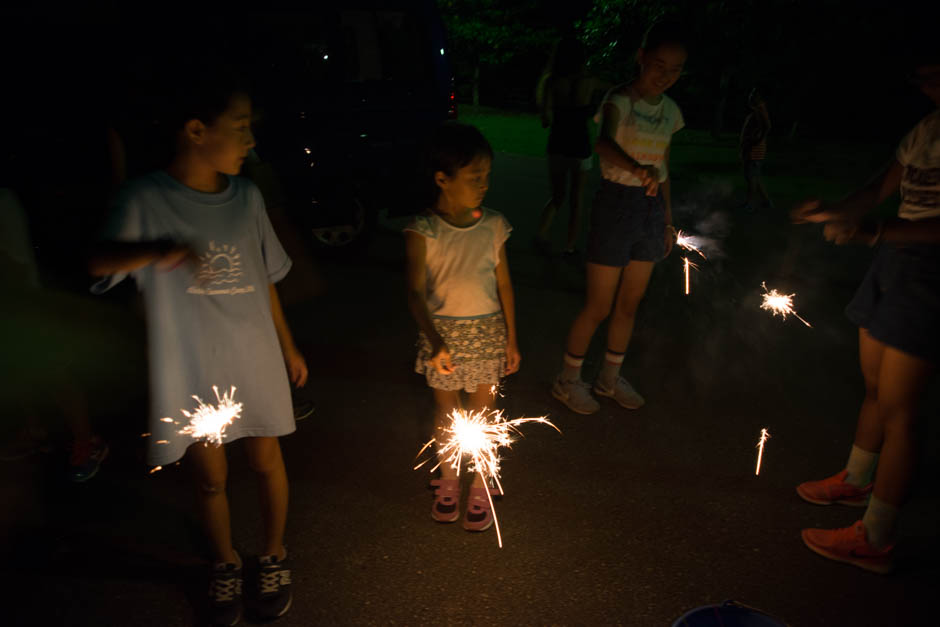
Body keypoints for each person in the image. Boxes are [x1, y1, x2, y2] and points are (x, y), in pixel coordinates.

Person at [89, 66, 307, 624]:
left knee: (265, 459)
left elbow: (266, 280)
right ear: (195, 130)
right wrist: (155, 250)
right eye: (240, 126)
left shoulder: (248, 197)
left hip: (253, 355)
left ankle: (274, 553)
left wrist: (288, 347)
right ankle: (226, 561)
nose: (251, 139)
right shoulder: (146, 198)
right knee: (211, 476)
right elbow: (95, 264)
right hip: (193, 365)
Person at [791, 56, 940, 574]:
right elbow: (879, 189)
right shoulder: (925, 129)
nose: (923, 79)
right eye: (923, 71)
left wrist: (876, 232)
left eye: (934, 70)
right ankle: (857, 481)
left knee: (902, 411)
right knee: (875, 387)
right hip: (894, 263)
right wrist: (835, 210)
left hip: (929, 274)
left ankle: (875, 538)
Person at [551, 21, 687, 414]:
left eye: (676, 69)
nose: (666, 76)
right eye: (659, 65)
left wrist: (666, 219)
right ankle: (568, 380)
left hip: (648, 210)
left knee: (630, 304)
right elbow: (603, 143)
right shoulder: (619, 100)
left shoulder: (672, 112)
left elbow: (663, 166)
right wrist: (636, 168)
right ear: (641, 58)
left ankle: (609, 378)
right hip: (616, 205)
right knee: (599, 305)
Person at [405, 122, 520, 532]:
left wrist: (512, 339)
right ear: (443, 179)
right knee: (447, 412)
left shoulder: (493, 225)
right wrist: (435, 341)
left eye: (487, 176)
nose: (484, 185)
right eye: (475, 177)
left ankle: (481, 483)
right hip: (444, 335)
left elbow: (504, 284)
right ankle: (450, 479)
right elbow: (415, 294)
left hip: (487, 332)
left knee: (483, 413)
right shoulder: (424, 229)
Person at [535, 37, 608, 256]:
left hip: (557, 143)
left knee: (557, 196)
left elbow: (545, 120)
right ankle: (569, 246)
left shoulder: (551, 81)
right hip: (580, 145)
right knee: (577, 199)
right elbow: (616, 90)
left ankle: (541, 234)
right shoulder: (590, 80)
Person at [739, 88, 773, 211]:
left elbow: (767, 126)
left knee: (751, 178)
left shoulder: (760, 110)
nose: (750, 97)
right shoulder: (758, 111)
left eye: (753, 95)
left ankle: (749, 203)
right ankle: (767, 201)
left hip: (754, 152)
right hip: (753, 150)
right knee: (756, 178)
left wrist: (757, 140)